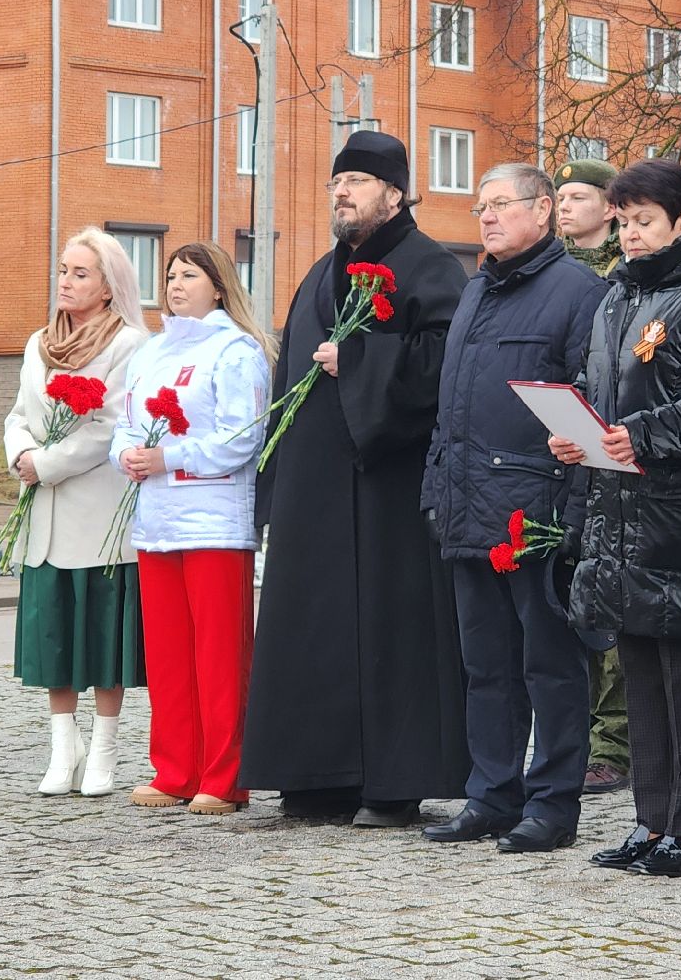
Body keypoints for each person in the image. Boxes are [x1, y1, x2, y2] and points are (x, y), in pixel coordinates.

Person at [240, 131, 472, 828]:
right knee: (315, 628)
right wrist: (277, 481)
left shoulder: (432, 266)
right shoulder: (321, 272)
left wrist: (364, 362)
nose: (341, 193)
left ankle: (393, 784)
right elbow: (289, 378)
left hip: (388, 490)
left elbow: (446, 363)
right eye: (336, 182)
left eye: (356, 182)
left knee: (392, 631)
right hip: (316, 491)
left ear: (394, 194)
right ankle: (318, 775)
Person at [551, 159, 681, 877]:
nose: (631, 234)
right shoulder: (618, 296)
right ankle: (649, 820)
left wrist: (644, 434)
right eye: (624, 221)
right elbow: (597, 384)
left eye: (645, 222)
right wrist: (574, 428)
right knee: (637, 668)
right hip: (619, 508)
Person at [421, 163, 608, 854]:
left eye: (501, 204)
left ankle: (553, 804)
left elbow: (591, 407)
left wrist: (573, 519)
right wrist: (437, 490)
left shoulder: (579, 292)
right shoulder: (475, 289)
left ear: (544, 209)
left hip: (536, 516)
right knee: (486, 667)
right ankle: (491, 795)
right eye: (481, 207)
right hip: (468, 508)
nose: (488, 217)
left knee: (550, 667)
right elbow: (451, 406)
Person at [112, 242, 273, 816]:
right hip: (157, 523)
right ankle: (174, 770)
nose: (176, 285)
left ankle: (224, 777)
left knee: (219, 655)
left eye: (189, 276)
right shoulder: (150, 351)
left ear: (219, 288)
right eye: (171, 275)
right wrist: (127, 455)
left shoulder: (236, 351)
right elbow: (124, 424)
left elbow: (242, 437)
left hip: (214, 524)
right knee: (168, 656)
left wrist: (171, 457)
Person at [3, 227, 150, 798]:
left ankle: (105, 747)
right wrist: (21, 454)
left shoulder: (129, 345)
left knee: (102, 636)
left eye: (80, 273)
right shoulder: (39, 343)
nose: (65, 281)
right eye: (63, 270)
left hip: (98, 515)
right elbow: (19, 413)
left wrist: (46, 463)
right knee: (53, 636)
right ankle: (64, 746)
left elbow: (109, 427)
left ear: (108, 286)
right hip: (43, 514)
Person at [555, 155, 630, 796]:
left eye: (578, 196)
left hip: (615, 446)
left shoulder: (624, 276)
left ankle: (613, 744)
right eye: (559, 197)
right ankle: (574, 738)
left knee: (610, 612)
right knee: (570, 604)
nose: (564, 206)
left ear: (610, 207)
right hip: (563, 449)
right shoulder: (548, 273)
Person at [556, 157, 624, 277]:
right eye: (561, 199)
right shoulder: (546, 262)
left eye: (577, 198)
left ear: (610, 210)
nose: (563, 207)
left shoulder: (630, 266)